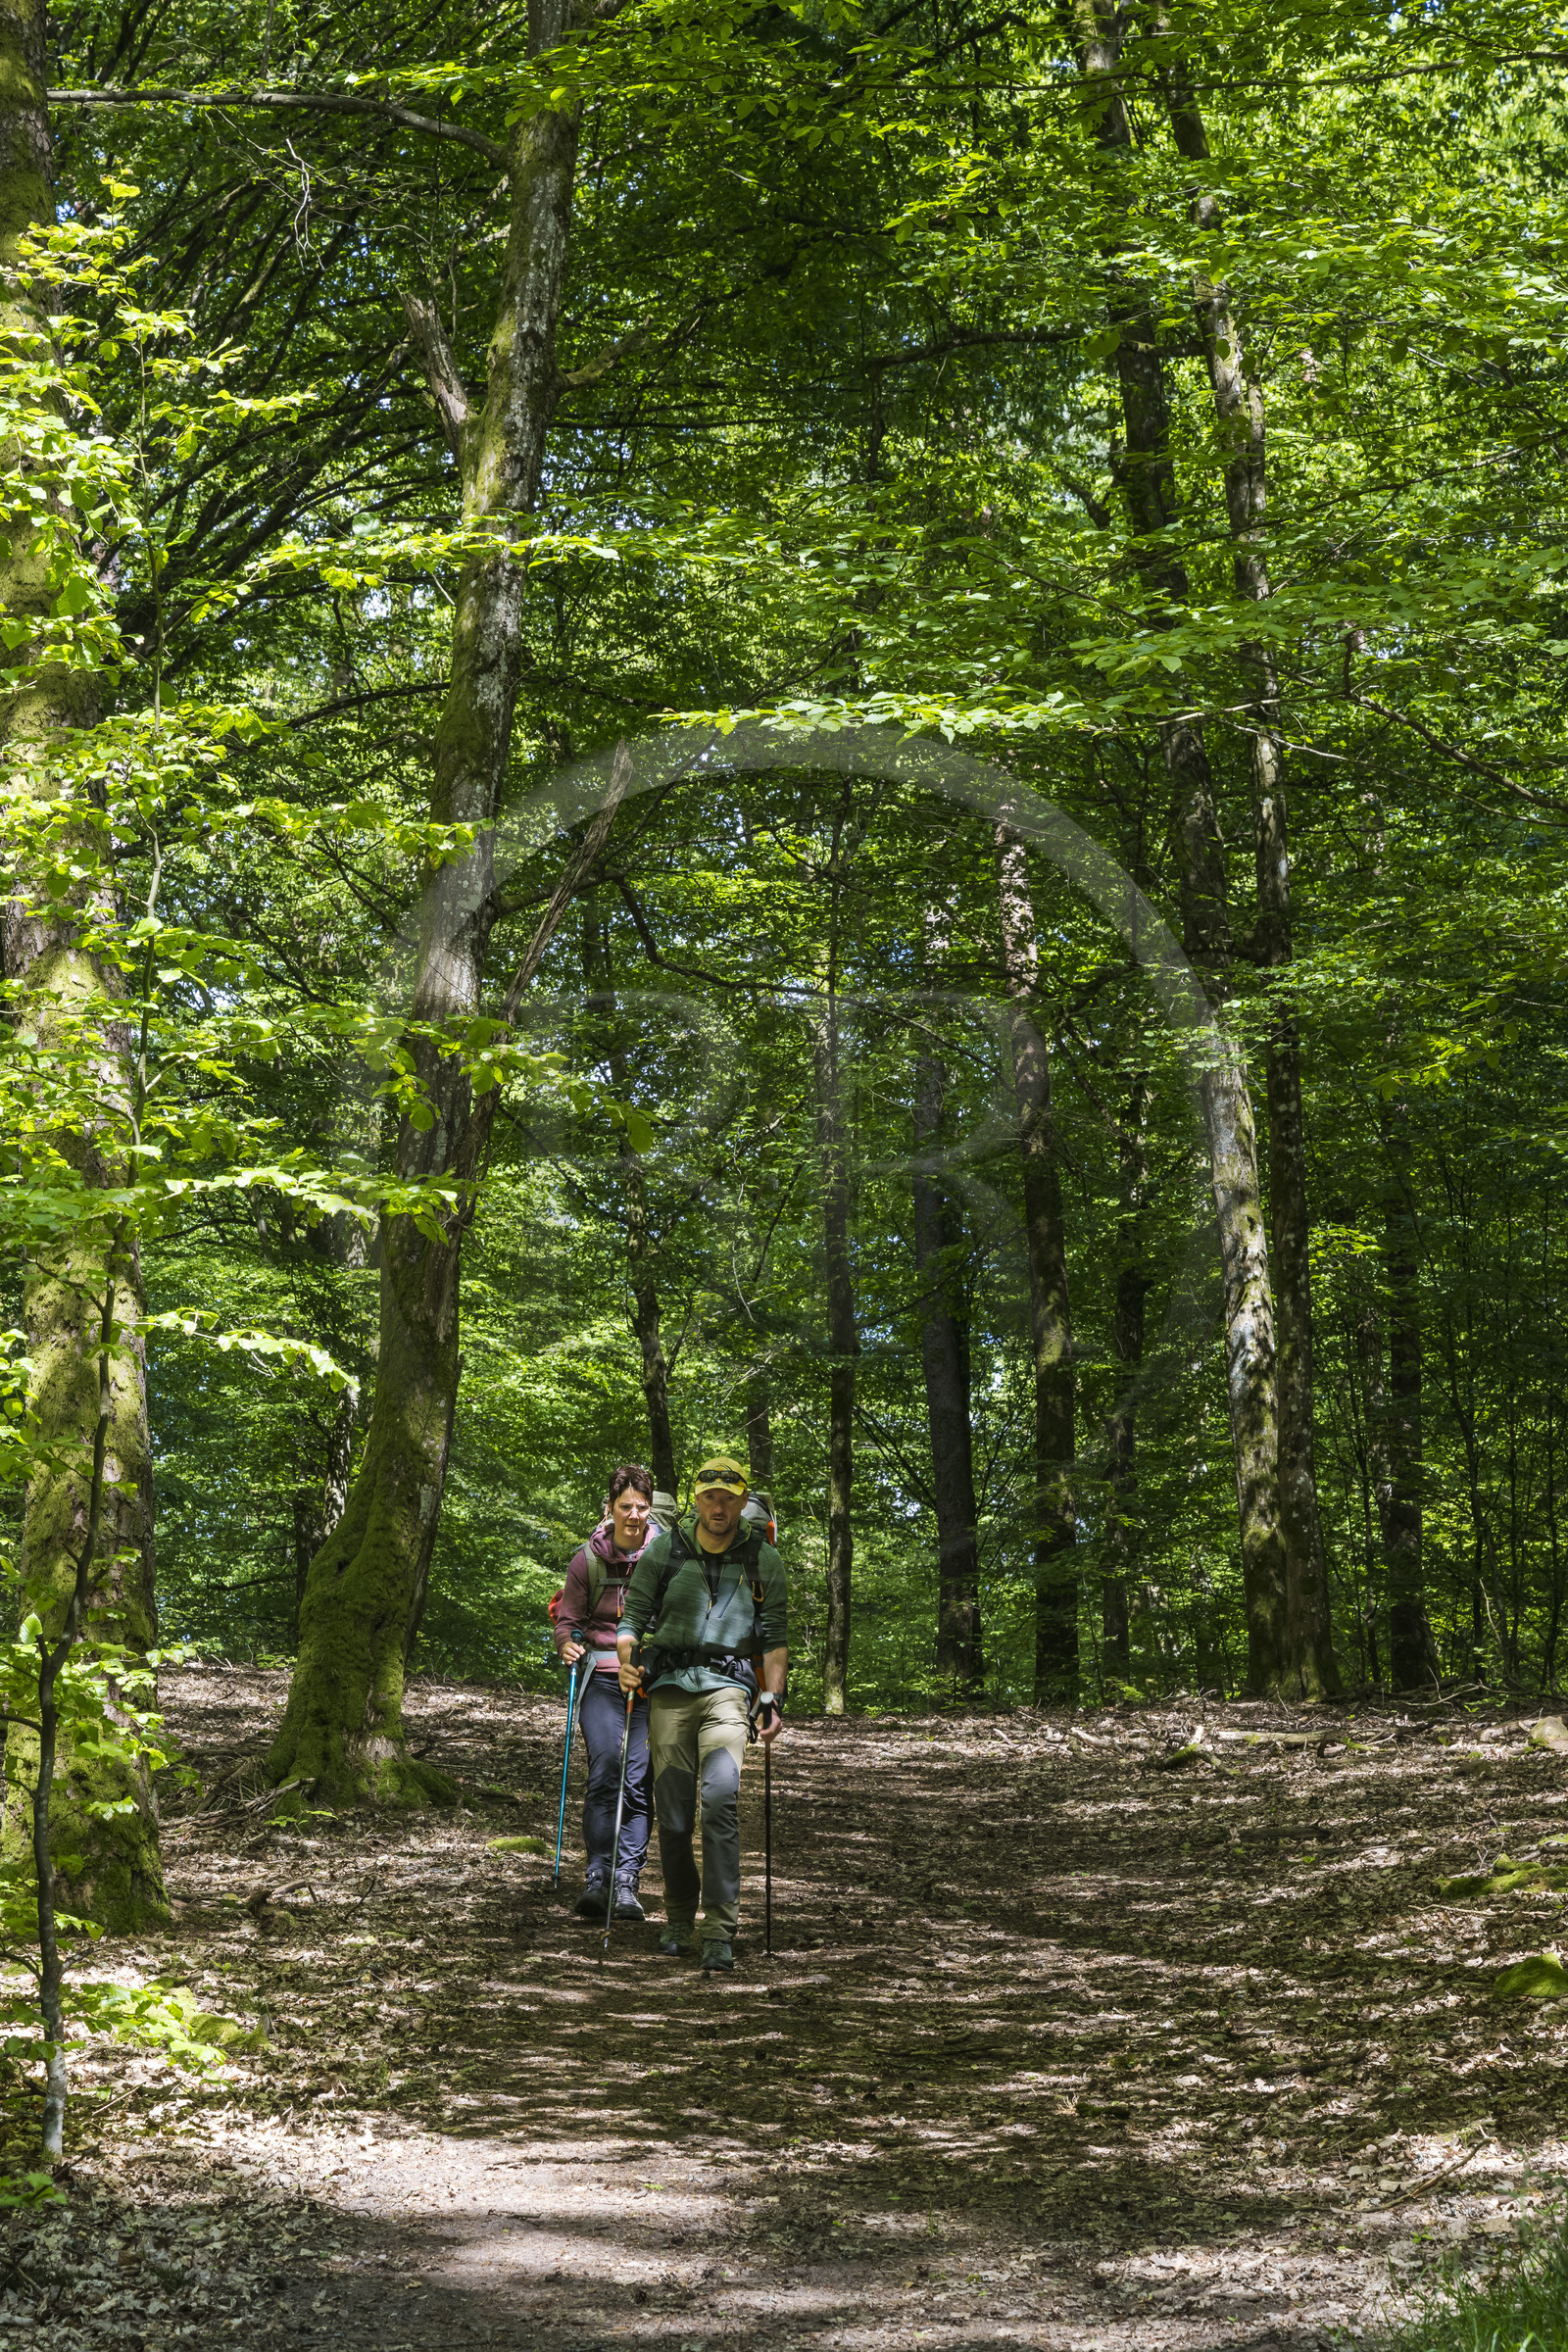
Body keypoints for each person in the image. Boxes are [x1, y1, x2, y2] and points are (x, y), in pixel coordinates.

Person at [618, 1454, 787, 1974]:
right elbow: (633, 1619)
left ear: (742, 1500)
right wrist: (627, 1663)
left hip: (729, 1691)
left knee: (719, 1803)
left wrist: (771, 1699)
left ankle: (718, 1929)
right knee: (672, 1813)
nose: (719, 1506)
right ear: (696, 1499)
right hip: (668, 1689)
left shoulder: (763, 1559)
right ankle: (676, 1918)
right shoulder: (665, 1550)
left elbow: (775, 1637)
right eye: (710, 1496)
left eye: (729, 1497)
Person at [555, 1462, 656, 1922]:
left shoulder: (668, 1557)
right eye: (625, 1507)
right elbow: (568, 1620)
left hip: (653, 1681)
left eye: (641, 1506)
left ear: (649, 1509)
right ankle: (598, 1876)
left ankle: (627, 1881)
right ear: (610, 1509)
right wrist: (566, 1644)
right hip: (600, 1676)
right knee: (605, 1771)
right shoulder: (588, 1559)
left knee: (638, 1781)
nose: (634, 1515)